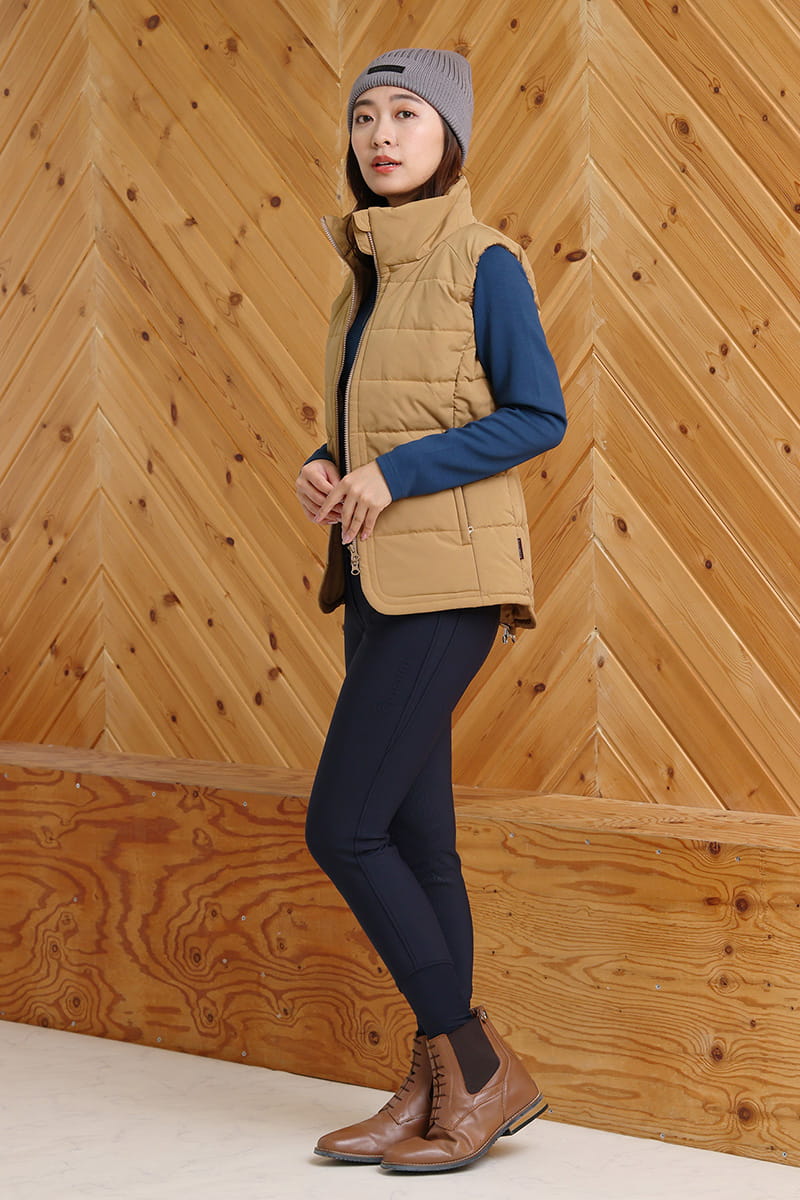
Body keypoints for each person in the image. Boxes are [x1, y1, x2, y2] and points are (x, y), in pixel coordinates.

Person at [294, 47, 567, 1173]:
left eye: (406, 114)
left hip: (449, 581)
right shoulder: (365, 272)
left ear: (448, 136)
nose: (380, 134)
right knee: (417, 839)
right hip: (374, 575)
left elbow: (536, 414)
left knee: (342, 827)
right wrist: (326, 463)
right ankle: (439, 1082)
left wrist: (395, 472)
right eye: (365, 116)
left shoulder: (481, 260)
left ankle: (480, 1065)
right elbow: (376, 420)